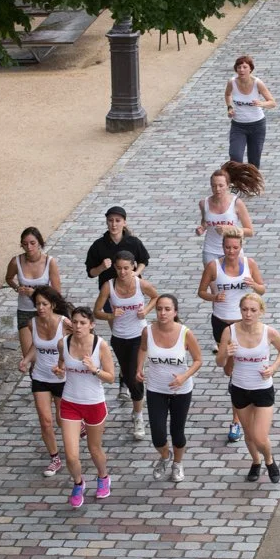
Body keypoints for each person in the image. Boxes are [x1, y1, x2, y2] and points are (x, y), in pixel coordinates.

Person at [196, 227, 265, 442]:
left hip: (243, 323)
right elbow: (201, 291)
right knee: (228, 369)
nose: (231, 251)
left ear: (241, 247)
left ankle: (236, 420)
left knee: (237, 369)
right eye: (227, 247)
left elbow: (262, 289)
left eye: (235, 247)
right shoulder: (213, 266)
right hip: (221, 322)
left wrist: (253, 285)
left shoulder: (249, 264)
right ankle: (237, 388)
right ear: (222, 247)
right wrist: (213, 298)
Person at [216, 294, 280, 483]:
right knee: (249, 434)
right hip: (240, 388)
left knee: (260, 436)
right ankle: (256, 462)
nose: (248, 314)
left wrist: (273, 368)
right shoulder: (229, 331)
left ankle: (269, 460)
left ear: (261, 312)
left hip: (262, 389)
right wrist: (226, 353)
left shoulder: (268, 332)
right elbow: (220, 363)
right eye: (244, 309)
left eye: (253, 310)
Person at [85, 205, 150, 401]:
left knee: (136, 337)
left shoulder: (133, 242)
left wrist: (135, 274)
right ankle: (125, 377)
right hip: (111, 299)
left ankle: (131, 374)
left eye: (117, 220)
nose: (114, 224)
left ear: (124, 222)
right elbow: (90, 272)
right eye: (110, 220)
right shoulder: (99, 245)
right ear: (107, 222)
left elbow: (144, 260)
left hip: (132, 296)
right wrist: (101, 267)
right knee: (120, 335)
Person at [53, 306, 117, 508]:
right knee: (71, 454)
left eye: (83, 323)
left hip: (94, 403)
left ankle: (103, 476)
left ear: (91, 325)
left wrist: (94, 369)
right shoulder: (63, 343)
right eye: (75, 322)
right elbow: (62, 365)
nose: (78, 326)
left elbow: (111, 378)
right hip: (70, 402)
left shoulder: (101, 345)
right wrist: (59, 371)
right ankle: (78, 483)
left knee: (94, 448)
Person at [136, 294, 203, 483]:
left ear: (175, 312)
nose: (162, 313)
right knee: (157, 434)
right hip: (156, 388)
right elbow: (142, 349)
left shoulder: (185, 333)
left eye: (167, 309)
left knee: (177, 431)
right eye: (159, 309)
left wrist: (184, 376)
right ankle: (165, 457)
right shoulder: (148, 331)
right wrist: (139, 367)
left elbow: (198, 360)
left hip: (180, 391)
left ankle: (178, 464)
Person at [94, 250, 159, 440]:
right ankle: (137, 401)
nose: (122, 272)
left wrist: (145, 310)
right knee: (127, 372)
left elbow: (156, 297)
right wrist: (110, 315)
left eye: (126, 268)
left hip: (139, 336)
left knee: (133, 376)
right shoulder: (109, 287)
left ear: (133, 267)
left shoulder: (141, 284)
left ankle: (138, 416)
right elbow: (96, 311)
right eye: (119, 268)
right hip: (119, 337)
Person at [17, 286, 71, 477]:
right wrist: (25, 360)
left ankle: (74, 440)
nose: (40, 307)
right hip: (40, 376)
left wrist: (66, 364)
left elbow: (79, 342)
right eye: (37, 304)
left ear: (53, 305)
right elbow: (36, 346)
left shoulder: (65, 323)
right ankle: (55, 458)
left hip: (61, 377)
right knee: (45, 421)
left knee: (61, 418)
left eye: (44, 304)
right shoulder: (32, 323)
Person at [5, 227, 61, 359]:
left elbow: (57, 292)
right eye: (25, 244)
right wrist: (16, 287)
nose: (29, 247)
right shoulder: (16, 261)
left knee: (47, 354)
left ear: (40, 243)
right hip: (24, 311)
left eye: (32, 243)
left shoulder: (49, 262)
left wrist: (35, 293)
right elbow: (8, 278)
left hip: (45, 311)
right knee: (29, 356)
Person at [194, 161, 262, 267]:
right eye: (214, 186)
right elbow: (205, 222)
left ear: (228, 186)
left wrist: (229, 230)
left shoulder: (237, 203)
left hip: (233, 250)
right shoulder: (204, 203)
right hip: (210, 250)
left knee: (234, 282)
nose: (217, 189)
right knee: (213, 282)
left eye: (221, 185)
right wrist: (201, 229)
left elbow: (250, 232)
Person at [224, 55, 277, 169]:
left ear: (250, 69)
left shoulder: (257, 83)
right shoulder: (232, 82)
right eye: (239, 67)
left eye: (244, 67)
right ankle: (237, 182)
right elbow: (228, 94)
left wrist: (261, 103)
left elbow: (272, 102)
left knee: (254, 160)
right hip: (238, 126)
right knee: (235, 156)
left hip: (257, 125)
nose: (241, 70)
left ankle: (251, 184)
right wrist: (229, 107)